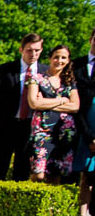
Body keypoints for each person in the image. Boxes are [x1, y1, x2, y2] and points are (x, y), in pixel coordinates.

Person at [0, 33, 48, 181]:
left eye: (37, 50)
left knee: (22, 170)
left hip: (31, 126)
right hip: (7, 125)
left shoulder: (46, 72)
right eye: (29, 50)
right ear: (21, 49)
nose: (33, 54)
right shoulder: (7, 69)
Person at [26, 45, 79, 183]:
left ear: (68, 60)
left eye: (63, 58)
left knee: (56, 173)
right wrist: (61, 100)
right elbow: (34, 103)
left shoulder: (69, 82)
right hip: (42, 132)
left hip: (63, 133)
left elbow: (75, 106)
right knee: (39, 174)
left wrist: (45, 102)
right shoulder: (37, 78)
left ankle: (50, 204)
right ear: (50, 58)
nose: (59, 60)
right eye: (56, 57)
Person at [71, 29, 95, 216]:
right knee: (76, 173)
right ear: (91, 39)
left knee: (91, 173)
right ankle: (74, 214)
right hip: (75, 123)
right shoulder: (75, 64)